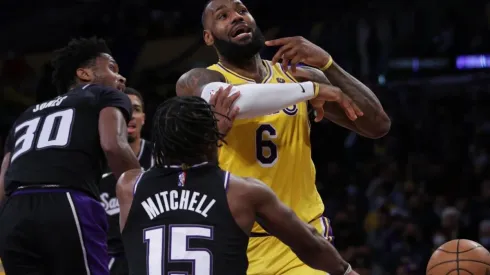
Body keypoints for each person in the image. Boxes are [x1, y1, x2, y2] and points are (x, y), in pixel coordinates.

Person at [175, 0, 391, 274]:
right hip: (239, 244)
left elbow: (377, 125)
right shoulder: (198, 80)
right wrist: (312, 89)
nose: (237, 18)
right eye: (223, 16)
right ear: (208, 36)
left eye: (242, 11)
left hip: (303, 239)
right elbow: (233, 99)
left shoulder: (294, 76)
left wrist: (328, 64)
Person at [117, 96, 359, 275]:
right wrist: (346, 272)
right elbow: (310, 244)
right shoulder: (241, 191)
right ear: (212, 139)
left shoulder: (129, 186)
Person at [0, 37, 141, 275]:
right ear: (84, 74)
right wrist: (145, 191)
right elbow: (113, 146)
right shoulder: (103, 94)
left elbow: (3, 182)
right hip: (67, 201)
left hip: (14, 213)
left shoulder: (27, 114)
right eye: (112, 68)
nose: (122, 78)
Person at [99, 87, 154, 275]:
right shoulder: (95, 163)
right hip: (108, 258)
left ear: (144, 118)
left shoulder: (162, 158)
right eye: (124, 110)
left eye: (136, 109)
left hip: (151, 254)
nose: (130, 115)